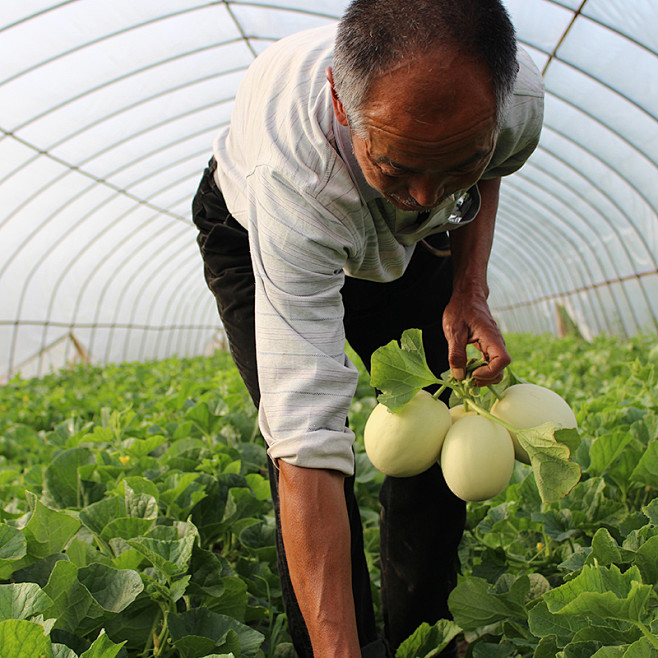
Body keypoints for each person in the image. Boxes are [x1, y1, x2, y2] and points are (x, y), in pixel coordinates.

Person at [192, 0, 544, 655]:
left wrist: (470, 289)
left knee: (439, 408)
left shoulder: (516, 100)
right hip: (252, 231)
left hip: (406, 249)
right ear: (339, 99)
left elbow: (488, 168)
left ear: (496, 114)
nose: (426, 198)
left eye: (455, 164)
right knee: (309, 455)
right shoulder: (292, 178)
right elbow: (308, 447)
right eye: (397, 167)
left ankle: (423, 637)